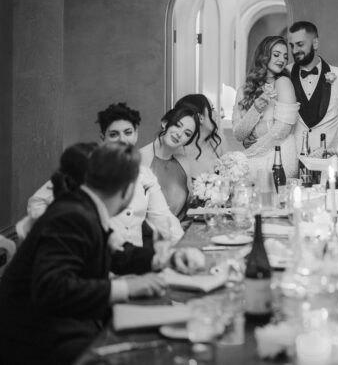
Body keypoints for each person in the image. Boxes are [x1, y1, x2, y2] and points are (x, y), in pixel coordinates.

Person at [0, 143, 205, 365]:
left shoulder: (85, 206)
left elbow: (117, 255)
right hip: (38, 338)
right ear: (127, 189)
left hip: (61, 323)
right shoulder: (72, 216)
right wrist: (128, 287)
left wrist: (167, 258)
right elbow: (52, 287)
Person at [18, 103, 184, 245]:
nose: (122, 140)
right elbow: (37, 203)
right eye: (113, 134)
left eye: (128, 132)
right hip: (92, 260)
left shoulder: (145, 175)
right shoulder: (84, 166)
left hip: (133, 260)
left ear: (136, 133)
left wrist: (185, 246)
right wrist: (67, 236)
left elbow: (163, 218)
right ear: (103, 138)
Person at [286, 21, 338, 157]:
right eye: (291, 45)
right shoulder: (284, 76)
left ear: (315, 43)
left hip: (330, 161)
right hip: (293, 161)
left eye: (300, 44)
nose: (294, 51)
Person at [233, 35, 300, 177]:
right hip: (255, 159)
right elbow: (238, 135)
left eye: (285, 56)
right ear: (263, 56)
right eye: (276, 54)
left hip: (280, 158)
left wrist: (249, 153)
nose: (282, 60)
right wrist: (255, 109)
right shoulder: (243, 90)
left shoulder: (283, 82)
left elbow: (282, 129)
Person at [140, 105, 200, 218]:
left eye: (187, 134)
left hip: (179, 228)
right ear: (165, 123)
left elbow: (189, 207)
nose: (179, 134)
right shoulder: (141, 158)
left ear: (188, 141)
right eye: (177, 125)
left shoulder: (183, 163)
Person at [174, 93, 227, 176]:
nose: (217, 114)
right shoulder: (179, 154)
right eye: (212, 109)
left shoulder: (218, 143)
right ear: (200, 118)